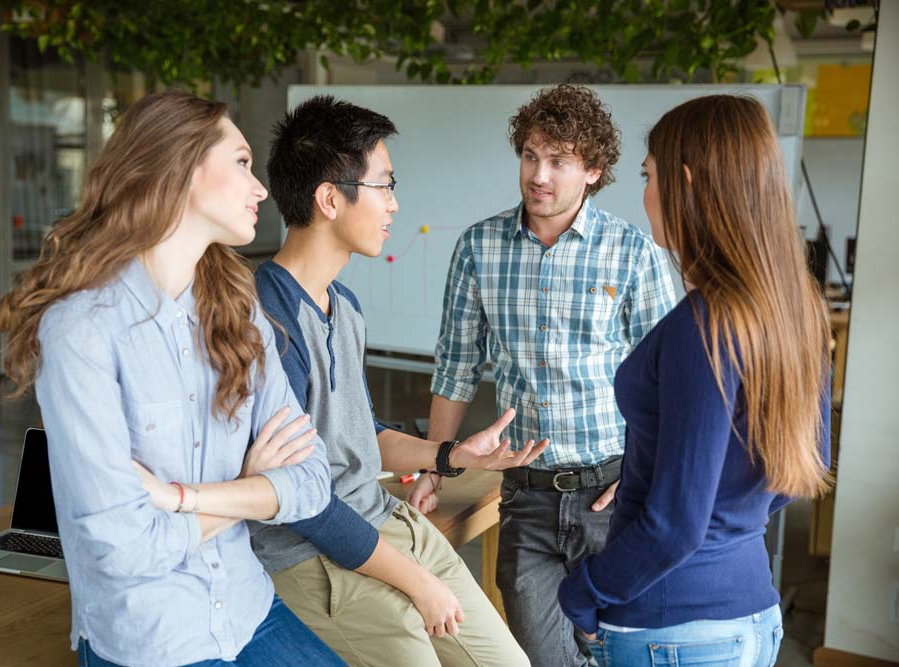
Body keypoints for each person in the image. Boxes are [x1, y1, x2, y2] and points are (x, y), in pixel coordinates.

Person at [0, 91, 347, 667]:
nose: (261, 188)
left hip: (249, 608)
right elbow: (122, 548)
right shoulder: (82, 330)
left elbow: (311, 482)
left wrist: (177, 499)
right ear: (181, 168)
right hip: (149, 639)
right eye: (241, 162)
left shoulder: (238, 307)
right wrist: (248, 490)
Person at [251, 94, 541, 667]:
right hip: (316, 557)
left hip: (387, 524)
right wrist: (415, 581)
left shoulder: (344, 306)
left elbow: (362, 432)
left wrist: (453, 455)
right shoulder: (268, 320)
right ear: (330, 198)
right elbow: (302, 500)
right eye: (385, 185)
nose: (394, 204)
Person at [557, 94, 833, 667]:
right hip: (753, 614)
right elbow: (807, 463)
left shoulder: (703, 327)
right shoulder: (798, 307)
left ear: (683, 181)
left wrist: (583, 593)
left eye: (647, 175)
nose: (645, 195)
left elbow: (675, 526)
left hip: (673, 627)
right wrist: (729, 527)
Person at [420, 84, 677, 666]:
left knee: (619, 650)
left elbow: (671, 381)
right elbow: (457, 365)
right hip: (526, 494)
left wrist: (645, 474)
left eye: (559, 161)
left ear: (593, 170)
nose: (540, 174)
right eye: (531, 156)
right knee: (540, 655)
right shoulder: (478, 247)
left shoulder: (633, 252)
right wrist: (436, 464)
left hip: (611, 496)